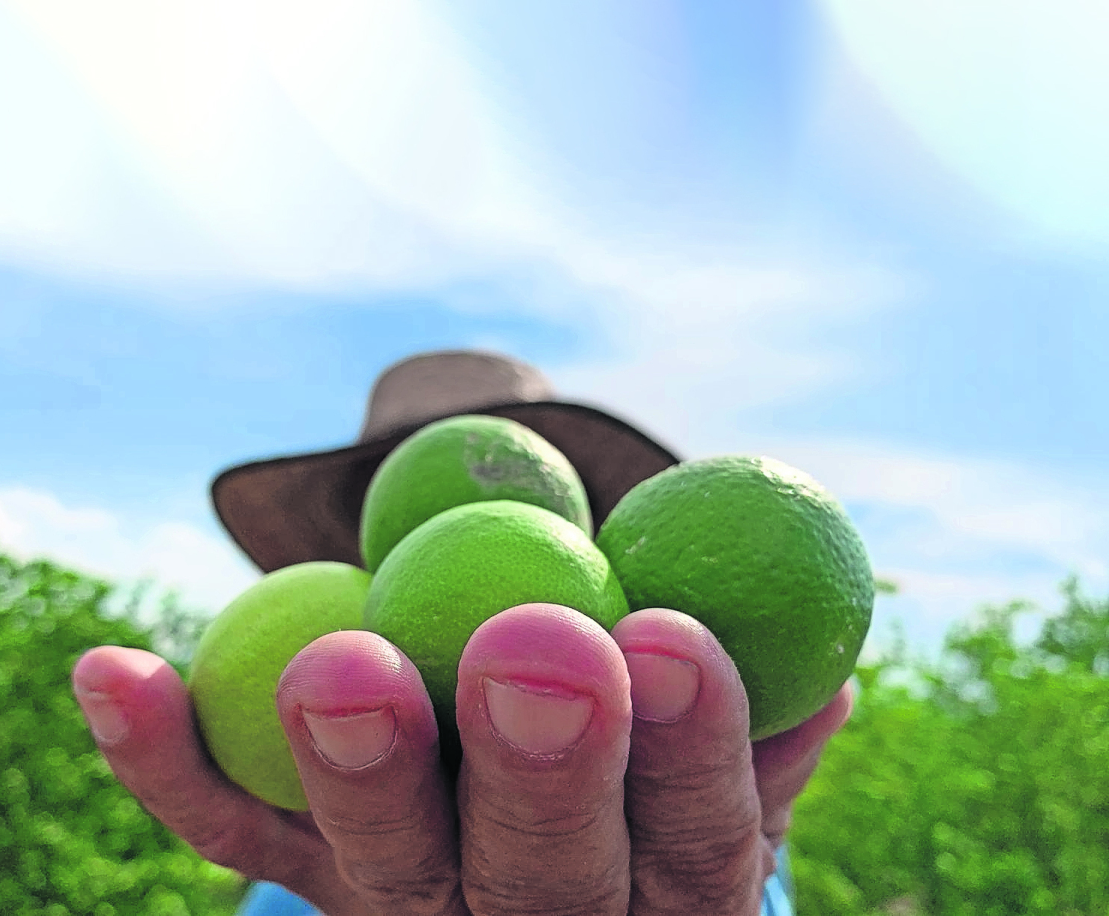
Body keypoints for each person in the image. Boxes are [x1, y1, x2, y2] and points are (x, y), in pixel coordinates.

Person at [72, 350, 854, 915]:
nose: (467, 512)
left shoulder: (715, 855)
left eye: (496, 476)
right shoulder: (294, 885)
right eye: (418, 485)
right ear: (364, 544)